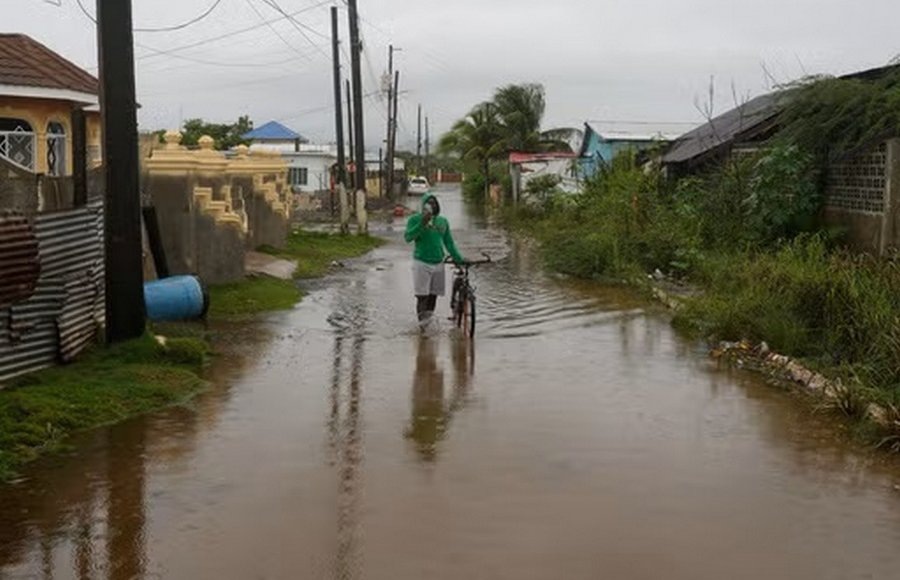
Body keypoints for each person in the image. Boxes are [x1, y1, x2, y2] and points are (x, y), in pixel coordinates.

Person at [404, 193, 465, 326]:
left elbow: (449, 243)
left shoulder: (442, 221)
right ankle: (422, 328)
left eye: (434, 203)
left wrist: (459, 259)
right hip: (421, 262)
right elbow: (408, 237)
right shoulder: (414, 220)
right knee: (422, 297)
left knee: (433, 296)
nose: (432, 205)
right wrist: (422, 223)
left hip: (438, 263)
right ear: (423, 206)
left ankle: (428, 322)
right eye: (429, 203)